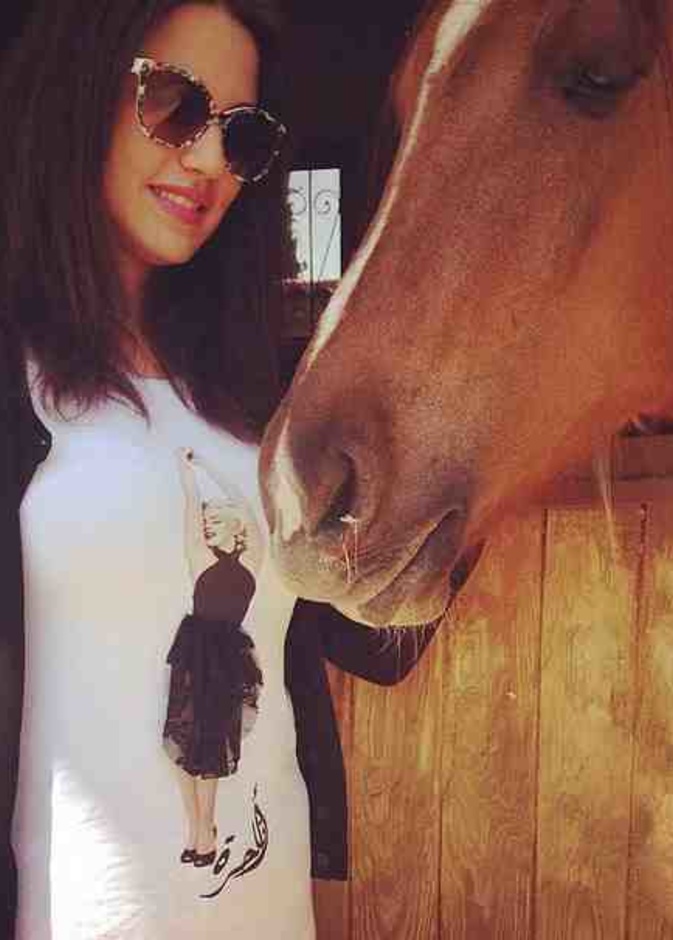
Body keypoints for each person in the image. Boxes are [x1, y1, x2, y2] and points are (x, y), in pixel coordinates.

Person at [0, 0, 440, 937]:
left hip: (265, 911)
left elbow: (363, 638)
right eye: (175, 104)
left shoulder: (253, 391)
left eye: (241, 137)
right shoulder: (17, 370)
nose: (207, 160)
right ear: (79, 91)